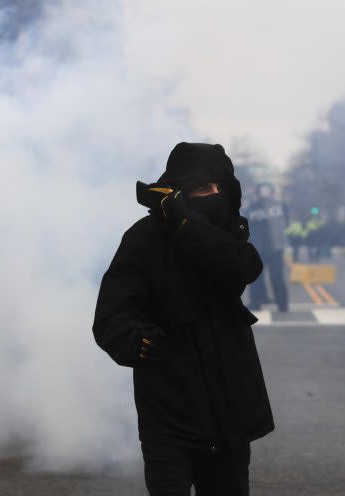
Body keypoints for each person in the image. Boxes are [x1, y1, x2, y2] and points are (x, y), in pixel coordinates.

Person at [93, 142, 274, 496]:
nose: (216, 195)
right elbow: (111, 317)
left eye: (221, 187)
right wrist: (137, 342)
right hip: (168, 409)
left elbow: (243, 267)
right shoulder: (143, 240)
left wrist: (184, 221)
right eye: (204, 189)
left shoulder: (226, 235)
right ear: (180, 191)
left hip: (228, 413)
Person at [245, 182, 289, 312]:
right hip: (258, 248)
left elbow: (285, 223)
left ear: (271, 191)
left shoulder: (280, 205)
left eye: (267, 190)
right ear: (258, 192)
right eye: (262, 190)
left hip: (276, 248)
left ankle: (283, 304)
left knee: (277, 276)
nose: (264, 192)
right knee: (256, 277)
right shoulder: (252, 207)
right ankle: (256, 302)